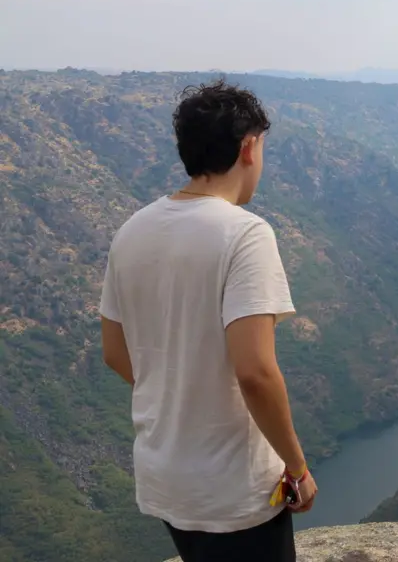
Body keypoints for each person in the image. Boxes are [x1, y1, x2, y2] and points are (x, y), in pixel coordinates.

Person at [99, 79, 317, 562]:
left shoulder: (131, 231)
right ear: (248, 147)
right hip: (233, 487)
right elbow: (255, 372)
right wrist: (297, 468)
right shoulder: (244, 235)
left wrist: (180, 387)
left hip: (166, 478)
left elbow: (114, 352)